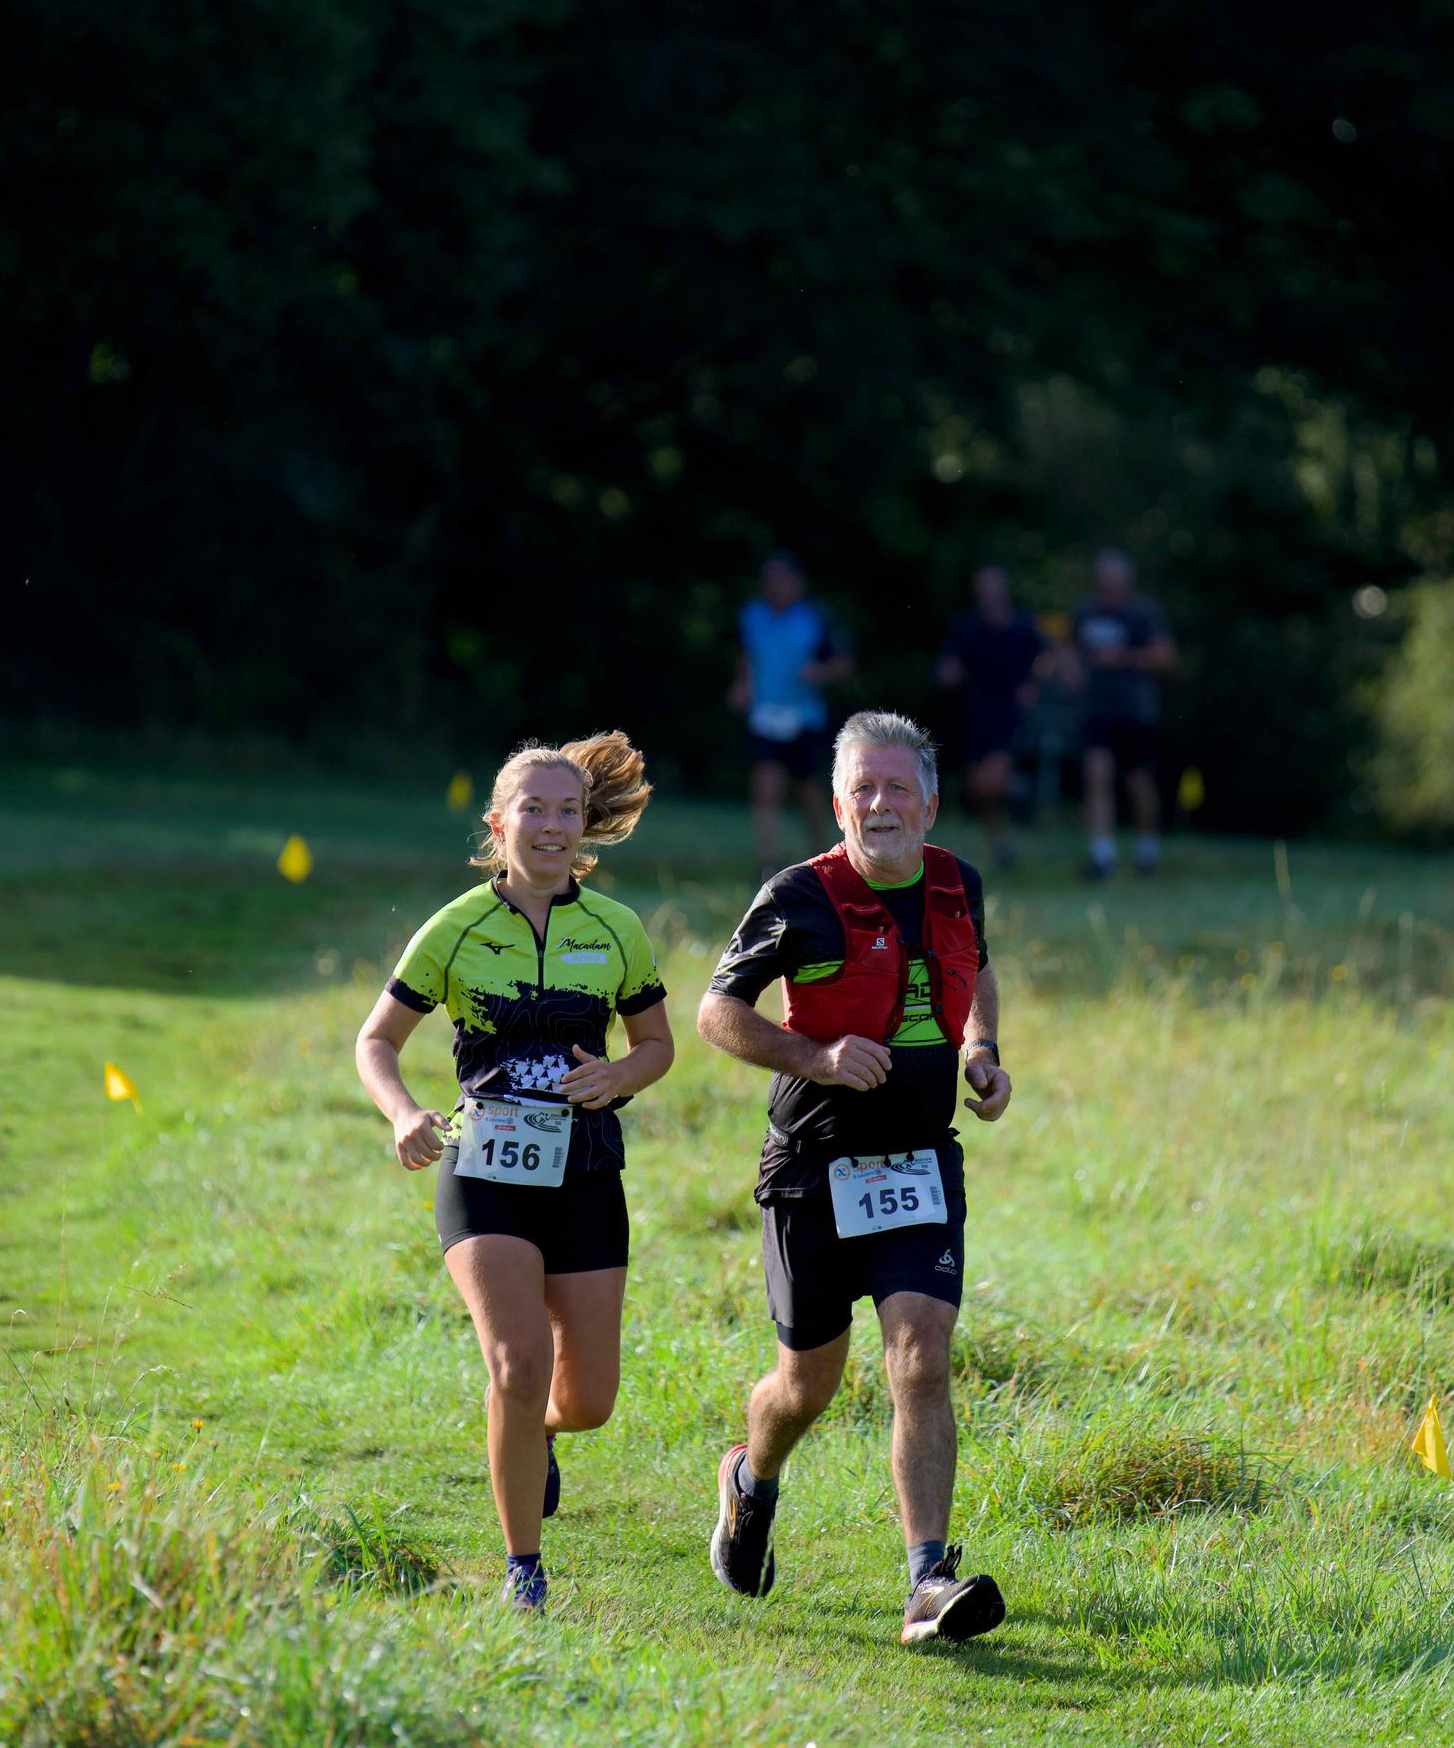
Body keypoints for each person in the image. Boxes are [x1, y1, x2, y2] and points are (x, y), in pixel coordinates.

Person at [695, 711, 1018, 1645]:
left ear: (930, 804)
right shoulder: (798, 895)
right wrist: (817, 1056)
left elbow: (976, 968)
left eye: (897, 788)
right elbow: (717, 1012)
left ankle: (927, 1582)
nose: (881, 804)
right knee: (807, 1386)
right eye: (862, 790)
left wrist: (982, 1050)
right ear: (838, 806)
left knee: (922, 1354)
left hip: (919, 1160)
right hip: (812, 1165)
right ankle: (751, 1478)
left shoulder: (958, 881)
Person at [352, 734, 674, 1613]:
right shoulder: (455, 927)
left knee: (589, 1399)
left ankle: (532, 1433)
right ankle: (523, 1572)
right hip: (485, 1171)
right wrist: (404, 1112)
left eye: (569, 810)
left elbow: (656, 1045)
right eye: (534, 809)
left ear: (585, 827)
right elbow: (376, 1041)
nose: (553, 825)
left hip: (586, 1172)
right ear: (499, 825)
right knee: (518, 1362)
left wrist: (619, 1076)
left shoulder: (616, 929)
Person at [729, 552, 854, 877]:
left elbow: (843, 664)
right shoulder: (753, 616)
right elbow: (747, 656)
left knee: (808, 790)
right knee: (766, 784)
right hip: (765, 716)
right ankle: (768, 862)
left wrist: (819, 672)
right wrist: (742, 684)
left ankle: (824, 856)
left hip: (804, 718)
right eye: (770, 581)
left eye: (782, 580)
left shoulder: (815, 619)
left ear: (797, 584)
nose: (775, 587)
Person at [1068, 549, 1176, 879]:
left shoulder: (1143, 613)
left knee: (1139, 784)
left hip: (1134, 712)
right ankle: (1102, 855)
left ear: (1126, 581)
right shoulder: (1086, 611)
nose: (1107, 588)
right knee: (1096, 775)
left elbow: (1166, 656)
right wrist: (1071, 671)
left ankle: (1146, 848)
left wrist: (1123, 658)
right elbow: (1068, 650)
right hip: (1096, 710)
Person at [933, 565, 1049, 868]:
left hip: (1010, 715)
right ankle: (1000, 845)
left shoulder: (1023, 625)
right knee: (979, 790)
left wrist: (1034, 683)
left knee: (990, 782)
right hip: (976, 715)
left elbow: (1045, 658)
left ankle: (1020, 787)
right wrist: (947, 674)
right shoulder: (967, 626)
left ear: (1004, 588)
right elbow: (951, 664)